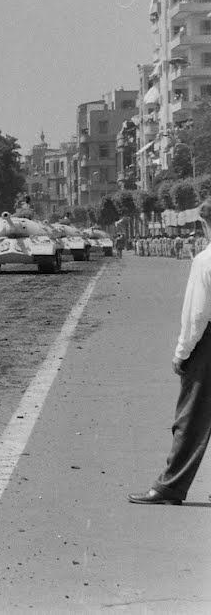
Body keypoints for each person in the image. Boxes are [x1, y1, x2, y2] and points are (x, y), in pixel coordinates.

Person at [129, 198, 211, 505]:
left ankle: (169, 487)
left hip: (208, 346)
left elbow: (197, 314)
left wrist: (182, 352)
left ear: (205, 224)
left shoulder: (206, 259)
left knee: (191, 418)